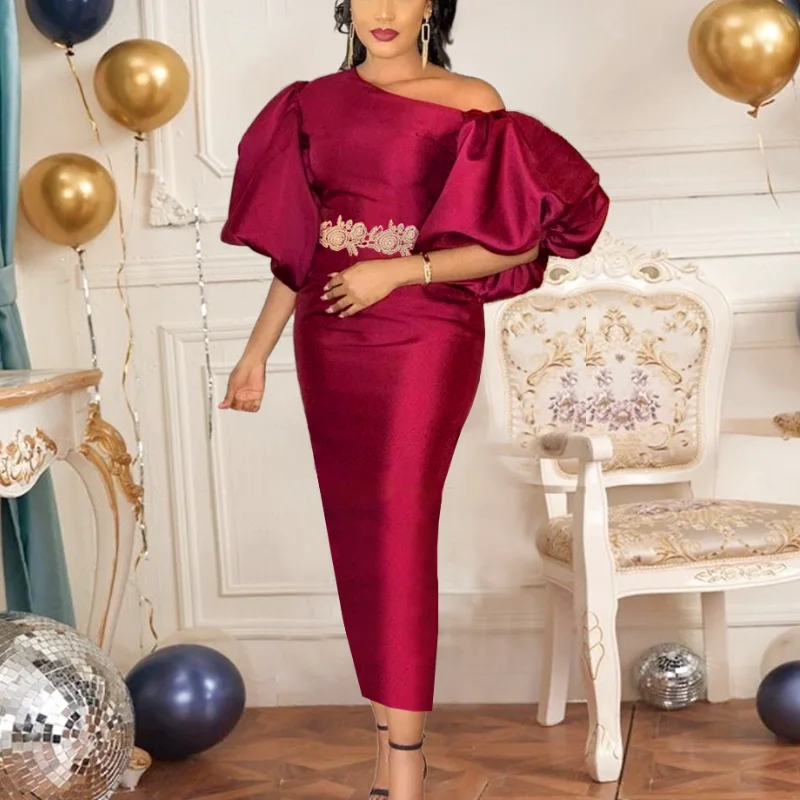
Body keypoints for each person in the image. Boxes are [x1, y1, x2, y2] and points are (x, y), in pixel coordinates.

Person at [219, 1, 609, 797]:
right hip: (330, 337)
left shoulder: (471, 102)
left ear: (433, 4)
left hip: (427, 335)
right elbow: (297, 253)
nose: (386, 11)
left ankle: (405, 760)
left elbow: (517, 240)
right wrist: (255, 354)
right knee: (357, 536)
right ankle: (388, 741)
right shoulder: (308, 105)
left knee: (400, 525)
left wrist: (400, 271)